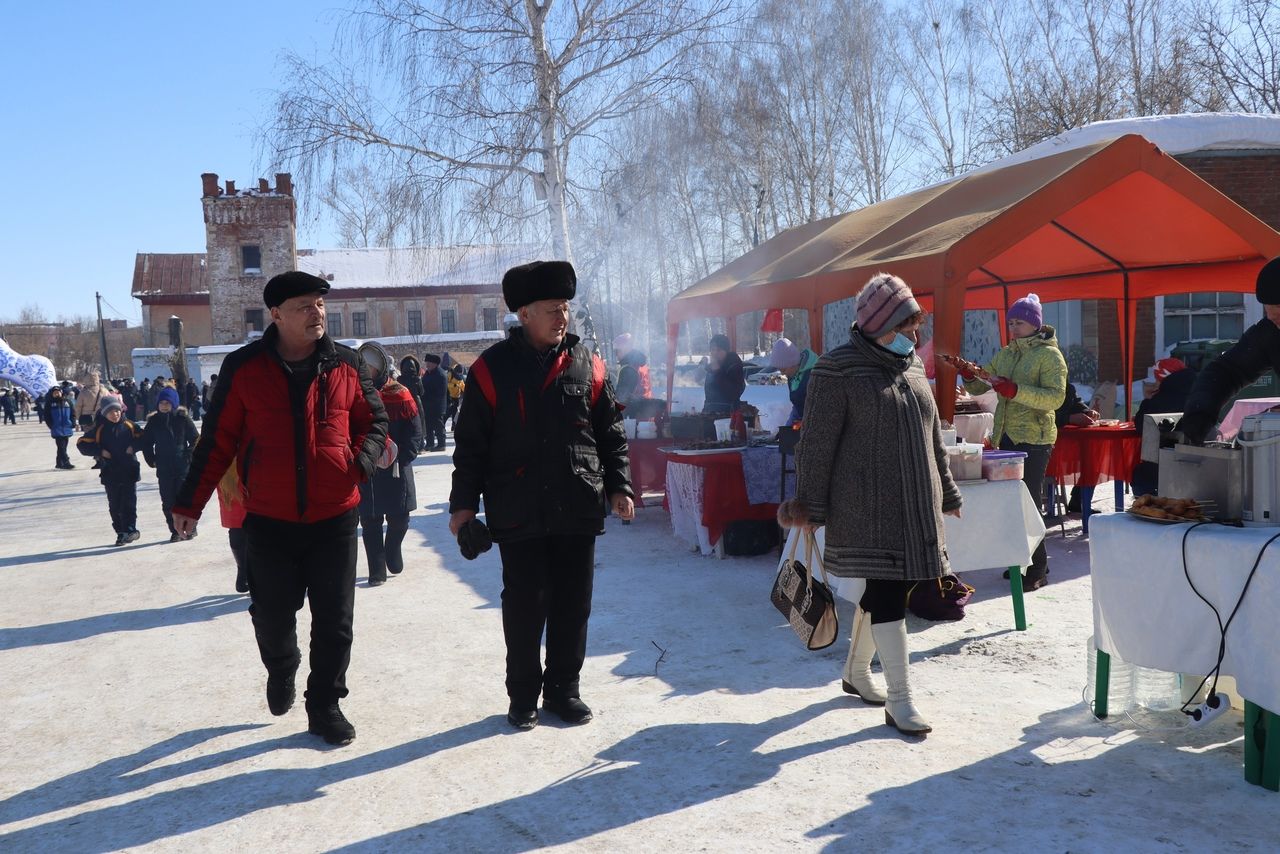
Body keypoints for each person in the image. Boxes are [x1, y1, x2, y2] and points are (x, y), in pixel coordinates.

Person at [170, 270, 390, 746]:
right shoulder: (245, 367)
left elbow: (374, 421)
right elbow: (217, 441)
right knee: (272, 615)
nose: (317, 314)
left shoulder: (347, 365)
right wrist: (190, 502)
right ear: (276, 315)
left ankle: (325, 703)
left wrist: (358, 465)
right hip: (268, 517)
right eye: (304, 306)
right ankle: (282, 667)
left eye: (320, 305)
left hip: (335, 514)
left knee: (335, 620)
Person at [449, 260, 634, 730]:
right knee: (525, 606)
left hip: (577, 503)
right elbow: (471, 445)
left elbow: (609, 433)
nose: (562, 317)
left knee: (574, 604)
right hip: (518, 507)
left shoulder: (588, 363)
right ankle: (523, 696)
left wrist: (620, 486)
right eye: (552, 309)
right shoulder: (491, 370)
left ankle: (564, 692)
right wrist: (463, 508)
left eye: (566, 308)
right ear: (524, 313)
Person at [779, 273, 961, 736]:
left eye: (915, 324)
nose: (915, 335)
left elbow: (932, 438)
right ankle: (900, 700)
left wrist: (949, 490)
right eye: (906, 325)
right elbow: (817, 444)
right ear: (880, 324)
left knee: (889, 591)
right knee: (885, 594)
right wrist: (808, 505)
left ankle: (857, 673)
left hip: (916, 504)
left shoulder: (915, 368)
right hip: (866, 507)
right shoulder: (837, 369)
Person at [957, 293, 1066, 590]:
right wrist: (969, 375)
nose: (1014, 327)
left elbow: (1055, 398)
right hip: (1005, 435)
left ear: (1035, 324)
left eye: (1019, 322)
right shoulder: (1007, 353)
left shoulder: (1049, 355)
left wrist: (1015, 390)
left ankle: (1038, 567)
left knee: (1028, 502)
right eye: (1011, 322)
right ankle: (1019, 559)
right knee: (1009, 503)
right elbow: (984, 381)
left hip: (1034, 439)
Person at [1179, 257, 1280, 444]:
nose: (1274, 319)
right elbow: (1228, 370)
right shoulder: (1271, 333)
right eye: (1270, 313)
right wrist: (1200, 415)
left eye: (1279, 311)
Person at [359, 351, 423, 586]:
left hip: (397, 465)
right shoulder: (355, 395)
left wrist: (405, 454)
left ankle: (392, 548)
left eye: (371, 367)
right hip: (368, 466)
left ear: (381, 368)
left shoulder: (401, 393)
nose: (367, 371)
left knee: (399, 519)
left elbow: (415, 429)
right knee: (370, 521)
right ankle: (377, 570)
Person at [76, 396, 143, 545]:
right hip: (110, 472)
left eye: (117, 411)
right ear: (105, 413)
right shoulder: (99, 428)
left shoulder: (129, 425)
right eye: (111, 412)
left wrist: (134, 446)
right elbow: (82, 444)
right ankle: (120, 532)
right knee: (115, 504)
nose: (115, 415)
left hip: (129, 470)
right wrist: (100, 451)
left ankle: (130, 529)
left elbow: (144, 438)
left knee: (129, 502)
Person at [140, 386, 200, 542]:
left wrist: (188, 456)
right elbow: (146, 442)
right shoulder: (154, 421)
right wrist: (151, 459)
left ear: (174, 404)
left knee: (185, 499)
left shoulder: (182, 419)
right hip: (164, 467)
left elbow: (196, 440)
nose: (164, 405)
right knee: (168, 501)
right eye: (161, 403)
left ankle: (190, 528)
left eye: (167, 402)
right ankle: (175, 530)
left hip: (182, 467)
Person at [1131, 357, 1195, 496]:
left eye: (1157, 379)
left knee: (1141, 475)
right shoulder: (1197, 391)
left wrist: (1147, 400)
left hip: (1163, 468)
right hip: (1196, 463)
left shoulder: (1163, 398)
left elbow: (1143, 426)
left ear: (1163, 378)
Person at [766, 337, 819, 426]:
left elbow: (822, 408)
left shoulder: (815, 375)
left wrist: (807, 424)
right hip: (804, 427)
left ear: (793, 363)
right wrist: (787, 428)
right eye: (780, 370)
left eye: (784, 369)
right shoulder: (792, 376)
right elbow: (797, 408)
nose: (782, 374)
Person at [702, 333, 745, 416]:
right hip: (710, 412)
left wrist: (717, 371)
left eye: (718, 350)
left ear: (726, 351)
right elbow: (710, 394)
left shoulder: (734, 365)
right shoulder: (712, 367)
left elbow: (733, 393)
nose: (715, 353)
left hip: (728, 415)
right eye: (713, 349)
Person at [612, 333, 652, 408]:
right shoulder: (640, 365)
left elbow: (621, 398)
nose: (616, 355)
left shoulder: (628, 369)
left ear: (624, 350)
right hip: (646, 412)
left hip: (632, 415)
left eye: (617, 351)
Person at [421, 353, 448, 451]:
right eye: (426, 362)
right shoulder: (428, 373)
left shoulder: (440, 374)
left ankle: (441, 444)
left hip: (437, 405)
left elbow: (440, 392)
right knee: (428, 425)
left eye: (429, 362)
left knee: (438, 426)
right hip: (427, 405)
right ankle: (429, 443)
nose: (427, 364)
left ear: (435, 364)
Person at [45, 385, 76, 469]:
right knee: (61, 446)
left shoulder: (67, 402)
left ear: (61, 393)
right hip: (56, 428)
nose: (57, 394)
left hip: (66, 427)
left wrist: (73, 423)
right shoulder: (50, 403)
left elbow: (73, 414)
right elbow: (47, 416)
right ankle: (66, 462)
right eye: (55, 393)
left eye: (58, 392)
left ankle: (59, 463)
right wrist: (51, 425)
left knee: (63, 446)